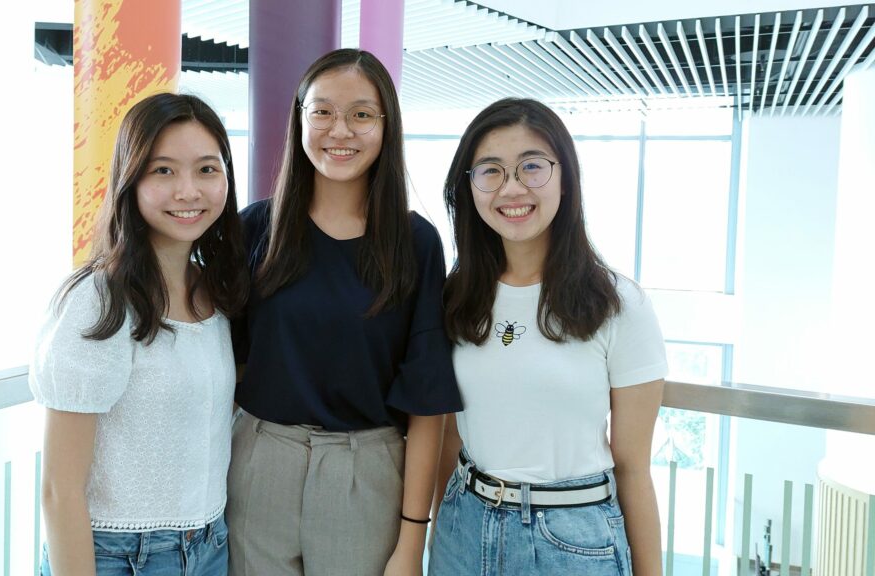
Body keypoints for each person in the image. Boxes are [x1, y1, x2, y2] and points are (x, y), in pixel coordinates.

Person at [227, 48, 462, 576]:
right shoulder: (254, 230)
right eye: (323, 111)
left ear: (386, 127)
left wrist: (412, 541)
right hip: (259, 462)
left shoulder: (414, 243)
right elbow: (223, 358)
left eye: (361, 114)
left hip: (367, 473)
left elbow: (427, 402)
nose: (341, 130)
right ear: (300, 118)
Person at [428, 98, 667, 576]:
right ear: (469, 186)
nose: (511, 188)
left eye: (531, 167)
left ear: (565, 177)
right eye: (490, 170)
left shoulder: (618, 304)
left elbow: (634, 469)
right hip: (464, 525)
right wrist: (440, 532)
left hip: (572, 539)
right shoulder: (454, 298)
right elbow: (449, 435)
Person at [30, 93, 248, 576]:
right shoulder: (99, 299)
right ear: (130, 181)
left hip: (210, 544)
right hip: (117, 555)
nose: (188, 191)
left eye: (207, 170)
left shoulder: (215, 288)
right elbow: (58, 490)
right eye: (163, 171)